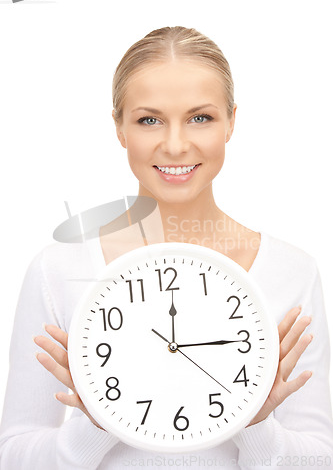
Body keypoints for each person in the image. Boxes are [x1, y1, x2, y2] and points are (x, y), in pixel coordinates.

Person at [0, 26, 332, 469]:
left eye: (201, 117)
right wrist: (95, 422)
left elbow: (319, 459)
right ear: (119, 127)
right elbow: (13, 455)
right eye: (149, 119)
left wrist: (256, 425)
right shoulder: (58, 270)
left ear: (232, 121)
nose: (175, 145)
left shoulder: (291, 271)